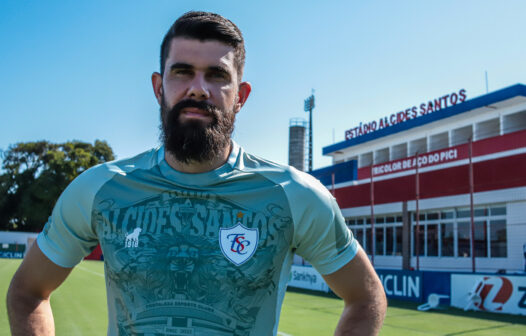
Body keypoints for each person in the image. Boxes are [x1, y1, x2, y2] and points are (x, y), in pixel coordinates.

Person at [7, 11, 386, 336]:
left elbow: (366, 297)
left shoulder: (295, 195)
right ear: (159, 87)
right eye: (182, 72)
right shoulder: (100, 188)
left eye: (217, 76)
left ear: (241, 96)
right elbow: (27, 291)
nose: (198, 89)